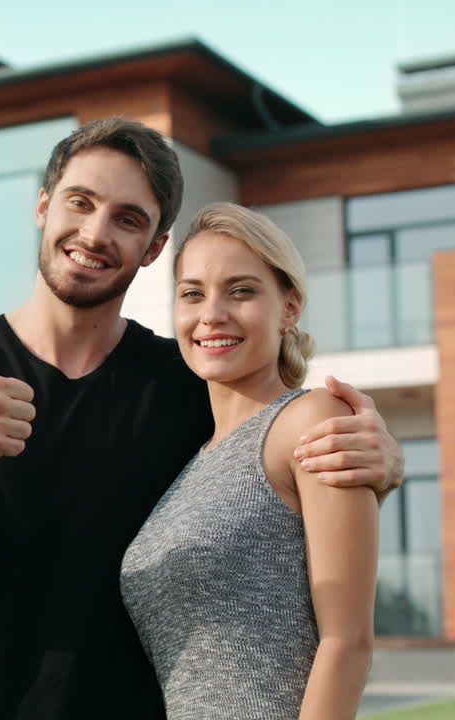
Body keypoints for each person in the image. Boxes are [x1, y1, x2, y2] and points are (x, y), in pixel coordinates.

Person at [0, 118, 402, 720]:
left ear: (154, 247)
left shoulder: (190, 385)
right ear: (43, 206)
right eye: (80, 203)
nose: (95, 233)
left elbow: (279, 477)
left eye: (128, 219)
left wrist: (382, 462)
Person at [120, 202, 378, 720]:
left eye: (240, 291)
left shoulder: (311, 421)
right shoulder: (191, 462)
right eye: (193, 293)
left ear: (289, 307)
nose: (212, 314)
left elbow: (348, 642)